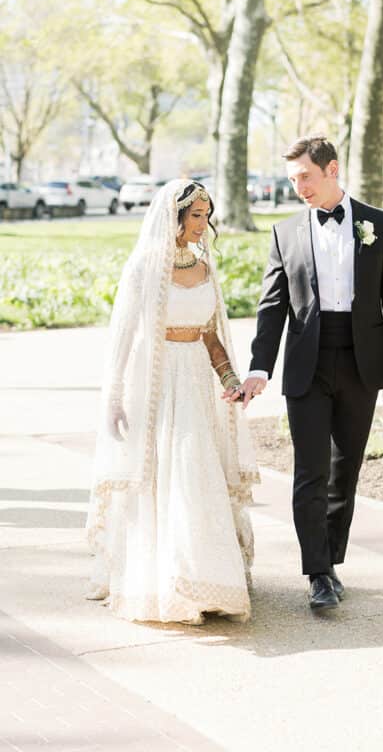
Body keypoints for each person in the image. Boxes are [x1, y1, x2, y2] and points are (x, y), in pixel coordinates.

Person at [239, 135, 383, 610]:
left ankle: (332, 560)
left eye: (306, 176)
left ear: (332, 170)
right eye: (293, 178)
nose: (299, 187)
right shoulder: (285, 233)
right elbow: (272, 307)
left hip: (361, 364)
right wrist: (260, 367)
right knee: (310, 471)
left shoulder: (379, 225)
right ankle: (317, 572)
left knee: (346, 471)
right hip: (308, 365)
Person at [86, 179, 259, 624]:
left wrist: (230, 378)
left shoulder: (204, 265)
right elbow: (124, 334)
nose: (204, 224)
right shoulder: (145, 266)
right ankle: (167, 580)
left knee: (198, 473)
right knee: (166, 475)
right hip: (159, 387)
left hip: (196, 389)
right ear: (176, 216)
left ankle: (208, 579)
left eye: (207, 216)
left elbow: (210, 335)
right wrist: (115, 397)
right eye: (196, 216)